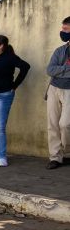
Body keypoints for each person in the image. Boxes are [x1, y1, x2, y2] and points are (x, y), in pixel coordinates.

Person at [0, 35, 30, 167]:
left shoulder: (9, 58)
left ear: (0, 46)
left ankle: (2, 157)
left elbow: (26, 67)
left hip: (2, 96)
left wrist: (15, 85)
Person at [45, 16, 70, 170]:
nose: (62, 32)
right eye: (62, 29)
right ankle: (55, 157)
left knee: (65, 124)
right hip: (54, 88)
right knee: (52, 124)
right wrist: (66, 69)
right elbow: (50, 70)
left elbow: (56, 70)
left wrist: (59, 71)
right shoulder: (60, 50)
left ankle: (66, 153)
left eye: (66, 29)